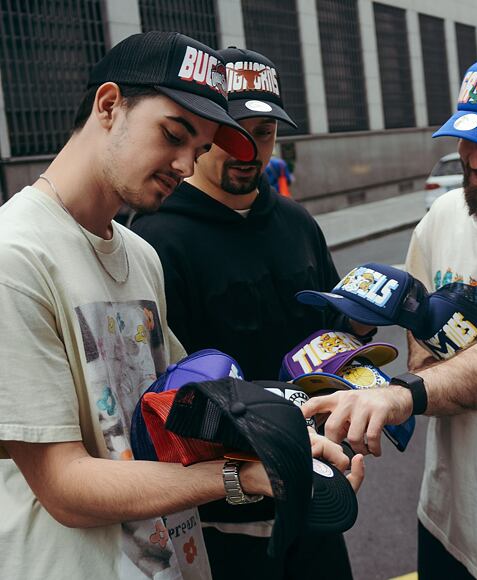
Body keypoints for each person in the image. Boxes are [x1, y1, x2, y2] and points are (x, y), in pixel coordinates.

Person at [0, 32, 362, 580]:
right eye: (173, 134)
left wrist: (289, 438)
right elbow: (63, 487)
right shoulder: (16, 255)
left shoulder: (141, 254)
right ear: (108, 105)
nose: (185, 166)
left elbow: (190, 403)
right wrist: (245, 474)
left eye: (197, 149)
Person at [302, 50, 477, 580]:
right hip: (443, 517)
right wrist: (388, 378)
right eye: (468, 135)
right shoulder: (445, 214)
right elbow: (423, 351)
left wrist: (402, 396)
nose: (475, 157)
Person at [131, 47, 370, 580]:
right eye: (232, 131)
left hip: (314, 496)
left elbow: (332, 338)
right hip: (220, 520)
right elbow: (159, 398)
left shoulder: (298, 222)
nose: (249, 150)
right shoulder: (152, 237)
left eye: (263, 132)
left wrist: (358, 326)